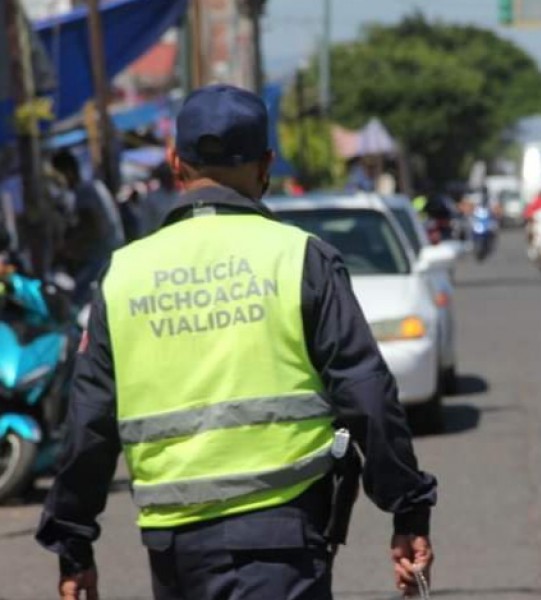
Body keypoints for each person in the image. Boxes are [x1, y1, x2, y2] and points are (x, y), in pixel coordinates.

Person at [36, 85, 437, 600]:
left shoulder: (125, 274)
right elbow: (367, 395)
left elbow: (88, 423)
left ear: (175, 161)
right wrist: (408, 510)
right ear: (266, 165)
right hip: (285, 542)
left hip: (176, 551)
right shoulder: (300, 259)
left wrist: (74, 547)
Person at [51, 149, 125, 303]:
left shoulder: (84, 192)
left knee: (79, 299)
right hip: (111, 255)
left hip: (101, 258)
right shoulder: (94, 186)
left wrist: (67, 248)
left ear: (67, 172)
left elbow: (91, 226)